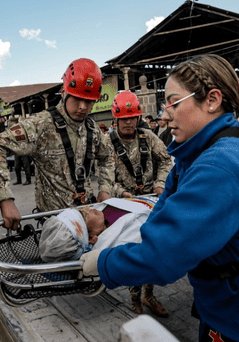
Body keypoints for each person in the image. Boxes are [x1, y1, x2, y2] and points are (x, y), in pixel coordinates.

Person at [81, 54, 239, 342]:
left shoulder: (219, 167)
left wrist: (102, 263)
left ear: (211, 100)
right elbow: (162, 217)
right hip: (229, 308)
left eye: (173, 102)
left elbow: (162, 258)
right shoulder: (205, 153)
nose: (164, 115)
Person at [0, 58, 115, 224]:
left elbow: (107, 157)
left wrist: (105, 189)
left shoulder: (92, 128)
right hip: (54, 223)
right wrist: (4, 199)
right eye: (77, 99)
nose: (83, 107)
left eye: (89, 101)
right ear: (63, 92)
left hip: (87, 218)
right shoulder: (40, 124)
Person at [108, 91, 172, 316]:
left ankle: (149, 294)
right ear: (116, 118)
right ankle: (135, 297)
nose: (128, 122)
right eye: (124, 118)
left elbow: (166, 161)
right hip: (124, 205)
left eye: (132, 117)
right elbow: (102, 177)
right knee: (132, 249)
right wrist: (121, 192)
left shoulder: (148, 137)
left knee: (153, 248)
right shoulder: (107, 143)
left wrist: (160, 185)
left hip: (149, 202)